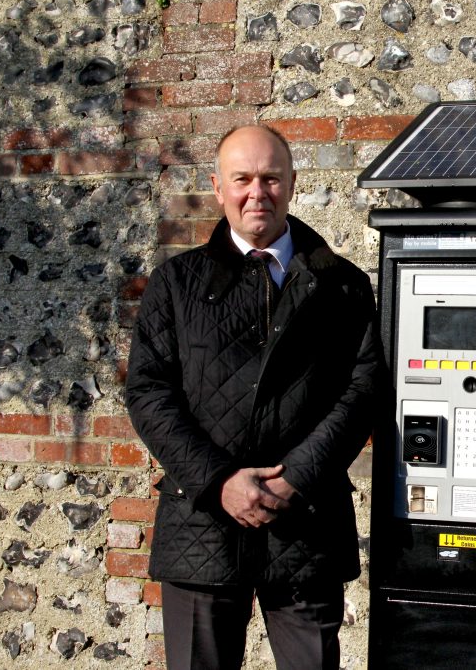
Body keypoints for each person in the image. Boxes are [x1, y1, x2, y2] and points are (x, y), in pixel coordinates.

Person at [126, 125, 385, 670]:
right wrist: (220, 481)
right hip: (203, 526)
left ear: (292, 183)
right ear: (218, 188)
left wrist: (296, 476)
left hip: (306, 524)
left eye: (270, 178)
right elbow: (150, 394)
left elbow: (361, 393)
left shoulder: (343, 286)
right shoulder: (176, 283)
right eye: (242, 179)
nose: (256, 192)